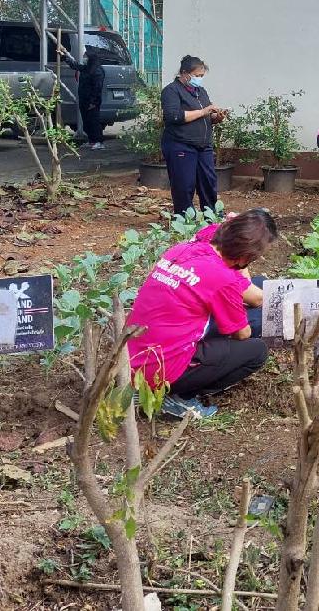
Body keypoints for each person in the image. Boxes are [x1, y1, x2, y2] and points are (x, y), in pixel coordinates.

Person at [127, 208, 277, 419]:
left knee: (256, 291)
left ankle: (148, 387)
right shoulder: (222, 278)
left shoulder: (184, 249)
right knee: (256, 351)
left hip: (133, 356)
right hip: (162, 369)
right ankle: (178, 397)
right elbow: (242, 334)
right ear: (245, 256)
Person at [161, 55, 226, 217]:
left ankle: (211, 216)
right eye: (197, 75)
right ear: (184, 73)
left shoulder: (200, 91)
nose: (199, 79)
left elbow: (206, 116)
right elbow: (174, 116)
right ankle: (184, 219)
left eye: (202, 76)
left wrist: (216, 117)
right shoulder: (171, 91)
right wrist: (204, 111)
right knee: (184, 185)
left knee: (208, 182)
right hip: (180, 145)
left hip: (203, 145)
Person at [66, 47, 106, 149]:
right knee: (87, 121)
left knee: (94, 121)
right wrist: (65, 57)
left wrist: (93, 102)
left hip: (92, 102)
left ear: (91, 58)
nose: (84, 58)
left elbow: (97, 88)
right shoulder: (88, 68)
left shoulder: (97, 71)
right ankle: (92, 141)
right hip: (84, 100)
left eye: (85, 57)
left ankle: (99, 142)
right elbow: (76, 66)